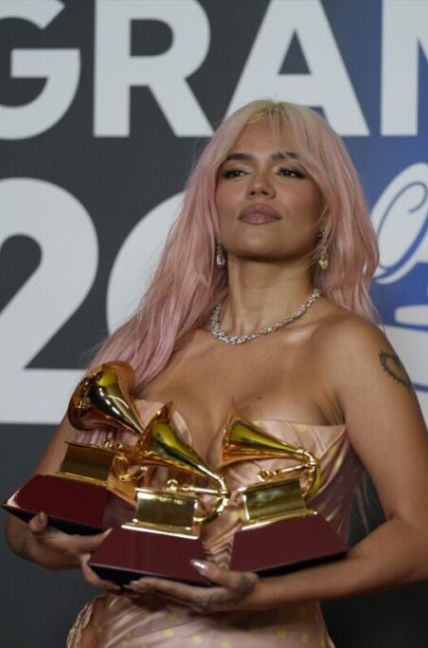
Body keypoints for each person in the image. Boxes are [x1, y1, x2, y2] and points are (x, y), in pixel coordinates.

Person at [5, 100, 428, 648]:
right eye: (236, 170)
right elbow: (25, 522)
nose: (259, 186)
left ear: (327, 210)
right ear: (212, 201)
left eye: (289, 170)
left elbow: (419, 536)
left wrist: (261, 594)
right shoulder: (146, 343)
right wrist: (46, 545)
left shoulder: (348, 347)